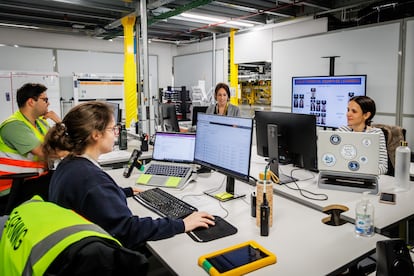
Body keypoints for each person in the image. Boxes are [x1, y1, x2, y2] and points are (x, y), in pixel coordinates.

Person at [42, 101, 215, 251]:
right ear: (96, 135)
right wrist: (182, 224)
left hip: (76, 249)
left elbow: (93, 200)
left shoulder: (69, 165)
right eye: (112, 129)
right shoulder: (92, 180)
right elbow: (128, 230)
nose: (115, 134)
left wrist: (124, 192)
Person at [0, 83, 61, 210]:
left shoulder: (40, 123)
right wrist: (70, 153)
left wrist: (59, 122)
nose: (48, 103)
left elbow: (60, 143)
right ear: (31, 102)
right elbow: (45, 152)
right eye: (45, 100)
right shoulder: (14, 126)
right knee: (65, 184)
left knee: (68, 178)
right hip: (12, 186)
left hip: (34, 178)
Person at [337, 96, 388, 174]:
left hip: (366, 177)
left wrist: (361, 173)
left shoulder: (376, 134)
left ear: (366, 115)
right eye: (348, 110)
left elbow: (383, 167)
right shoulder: (341, 131)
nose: (348, 114)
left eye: (354, 111)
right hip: (342, 174)